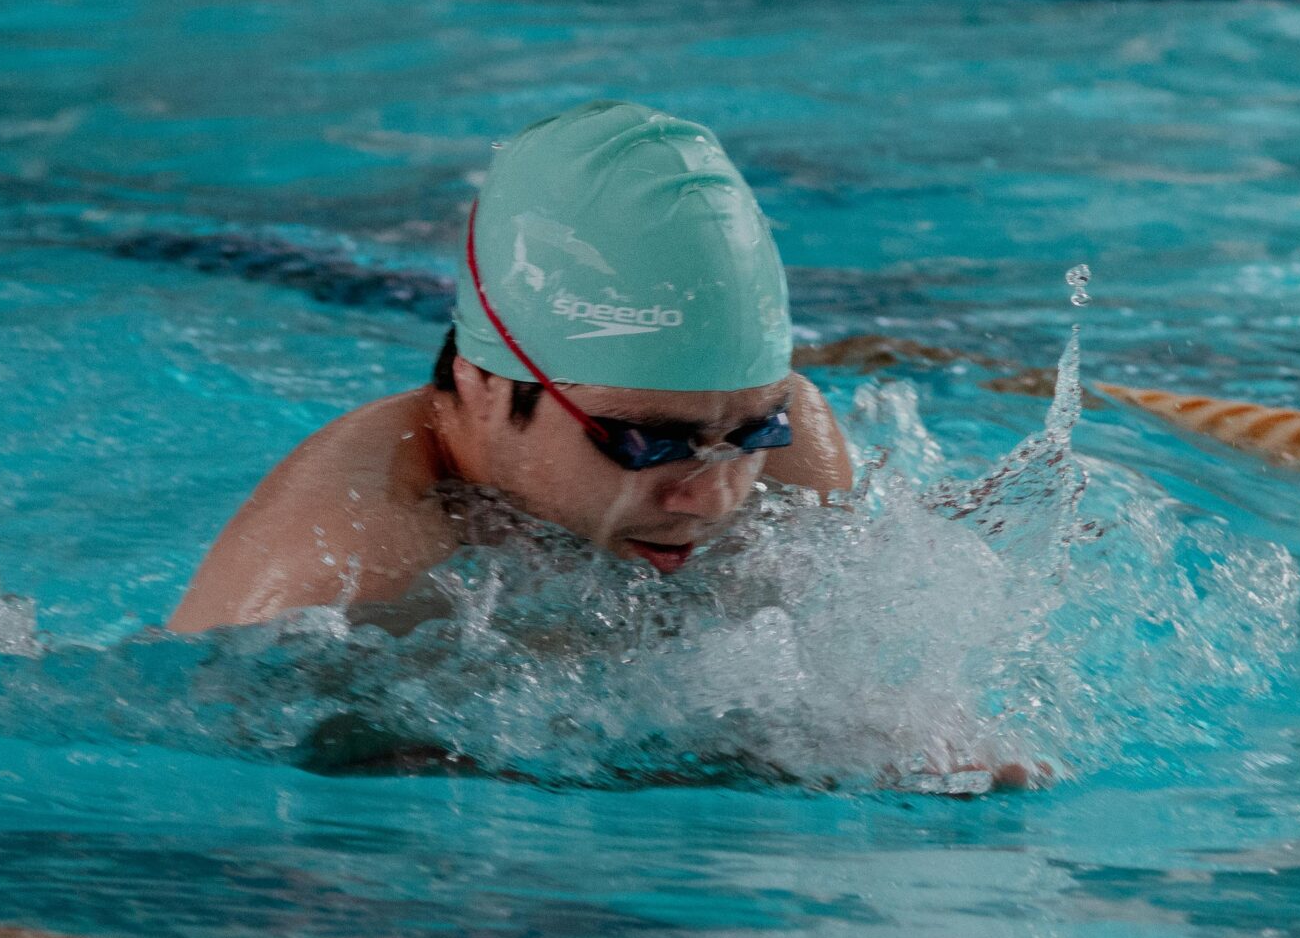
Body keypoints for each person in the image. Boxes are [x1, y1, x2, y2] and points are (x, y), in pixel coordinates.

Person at [170, 100, 853, 632]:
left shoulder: (794, 455)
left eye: (753, 433)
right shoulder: (343, 580)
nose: (712, 496)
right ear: (485, 386)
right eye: (649, 443)